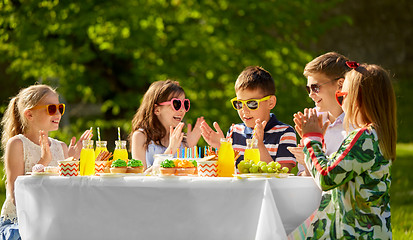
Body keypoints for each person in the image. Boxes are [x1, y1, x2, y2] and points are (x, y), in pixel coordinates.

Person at [288, 62, 396, 239]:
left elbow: (326, 177)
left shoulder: (364, 136)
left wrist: (311, 138)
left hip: (354, 232)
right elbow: (341, 169)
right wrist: (318, 142)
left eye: (342, 97)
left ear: (358, 99)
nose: (341, 104)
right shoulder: (377, 134)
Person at [0, 84, 92, 240]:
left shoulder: (60, 147)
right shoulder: (17, 144)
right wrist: (43, 161)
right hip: (21, 224)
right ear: (29, 114)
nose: (58, 114)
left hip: (53, 221)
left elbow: (65, 192)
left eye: (60, 108)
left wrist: (73, 160)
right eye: (51, 109)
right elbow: (17, 196)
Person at [201, 66, 296, 169]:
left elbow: (282, 175)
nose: (244, 110)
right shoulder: (234, 131)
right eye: (239, 103)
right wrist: (222, 147)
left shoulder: (285, 133)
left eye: (252, 103)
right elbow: (227, 172)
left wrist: (259, 145)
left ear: (271, 102)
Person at [288, 52, 352, 175]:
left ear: (340, 84)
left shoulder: (356, 122)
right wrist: (307, 164)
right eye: (308, 89)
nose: (310, 94)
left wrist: (312, 158)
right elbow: (304, 176)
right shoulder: (312, 120)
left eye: (315, 87)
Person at [129, 80, 203, 169]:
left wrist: (192, 147)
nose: (182, 110)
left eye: (185, 104)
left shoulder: (183, 141)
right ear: (157, 109)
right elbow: (141, 178)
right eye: (176, 104)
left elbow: (195, 176)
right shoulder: (141, 136)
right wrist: (171, 150)